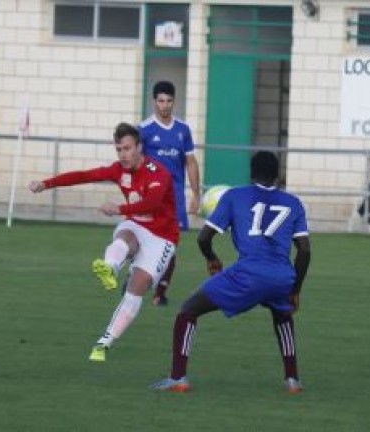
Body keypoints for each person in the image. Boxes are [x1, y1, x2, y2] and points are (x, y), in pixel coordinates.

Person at [151, 151, 311, 394]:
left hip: (247, 274)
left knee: (188, 309)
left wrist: (212, 259)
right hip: (281, 276)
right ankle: (292, 380)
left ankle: (177, 378)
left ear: (251, 173)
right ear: (277, 175)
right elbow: (305, 252)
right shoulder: (293, 202)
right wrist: (295, 290)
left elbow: (204, 238)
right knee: (282, 313)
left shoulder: (234, 196)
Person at [29, 123, 179, 361]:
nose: (122, 154)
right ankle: (110, 268)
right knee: (125, 235)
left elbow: (153, 203)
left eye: (127, 148)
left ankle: (105, 341)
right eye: (118, 149)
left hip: (162, 238)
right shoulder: (118, 170)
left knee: (136, 288)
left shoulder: (157, 173)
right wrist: (46, 183)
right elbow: (84, 176)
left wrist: (119, 208)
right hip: (136, 225)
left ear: (139, 147)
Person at [137, 81, 201, 305]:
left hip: (175, 200)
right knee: (146, 240)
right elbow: (135, 163)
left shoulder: (182, 130)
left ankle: (160, 291)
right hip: (151, 198)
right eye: (161, 101)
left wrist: (196, 194)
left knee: (171, 244)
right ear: (154, 101)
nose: (165, 105)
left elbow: (191, 162)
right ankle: (136, 277)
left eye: (169, 101)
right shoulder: (143, 130)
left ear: (174, 101)